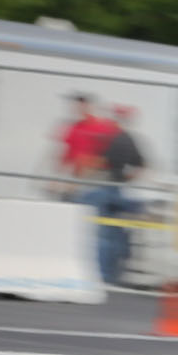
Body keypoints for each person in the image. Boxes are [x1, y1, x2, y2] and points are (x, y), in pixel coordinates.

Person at [89, 105, 147, 284]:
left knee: (105, 234)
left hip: (106, 188)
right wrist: (127, 178)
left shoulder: (111, 137)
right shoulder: (129, 139)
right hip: (119, 189)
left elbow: (97, 161)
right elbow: (141, 164)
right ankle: (114, 274)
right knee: (116, 233)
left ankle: (104, 274)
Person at [54, 92, 116, 194]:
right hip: (76, 178)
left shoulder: (103, 127)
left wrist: (89, 166)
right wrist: (57, 177)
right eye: (76, 105)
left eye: (82, 105)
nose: (78, 108)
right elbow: (66, 156)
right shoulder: (73, 129)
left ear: (90, 106)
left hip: (97, 178)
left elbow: (110, 156)